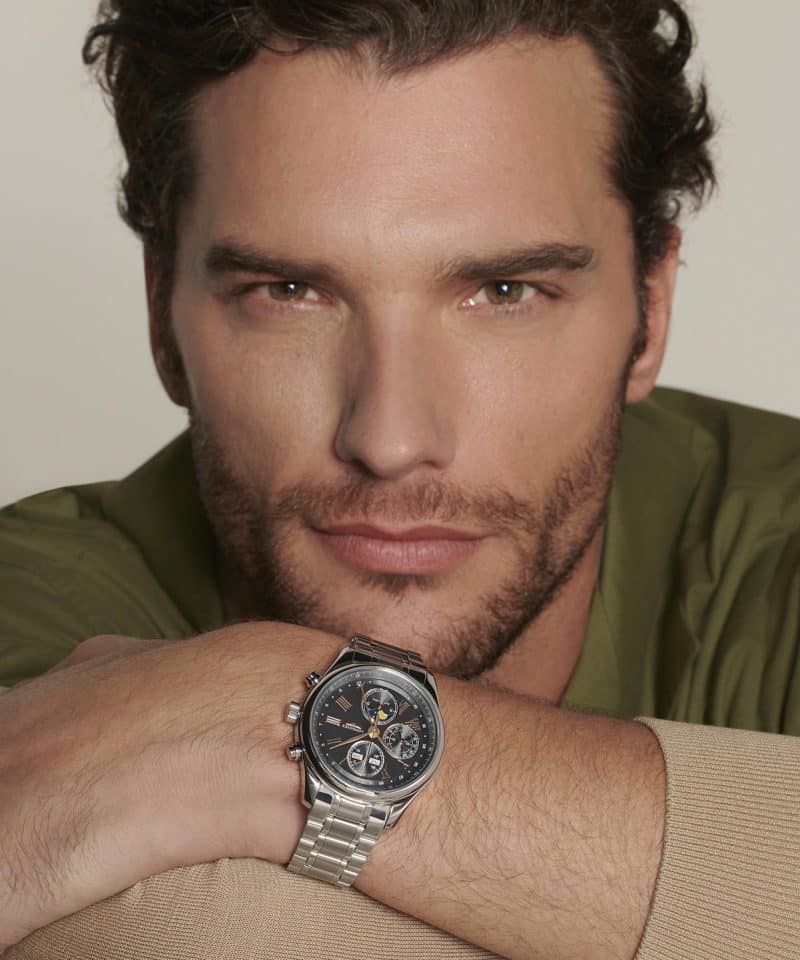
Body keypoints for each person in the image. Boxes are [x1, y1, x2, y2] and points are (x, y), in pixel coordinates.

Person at [1, 1, 798, 958]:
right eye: (288, 292)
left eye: (505, 292)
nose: (389, 438)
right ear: (161, 316)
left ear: (651, 310)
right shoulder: (31, 606)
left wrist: (255, 712)